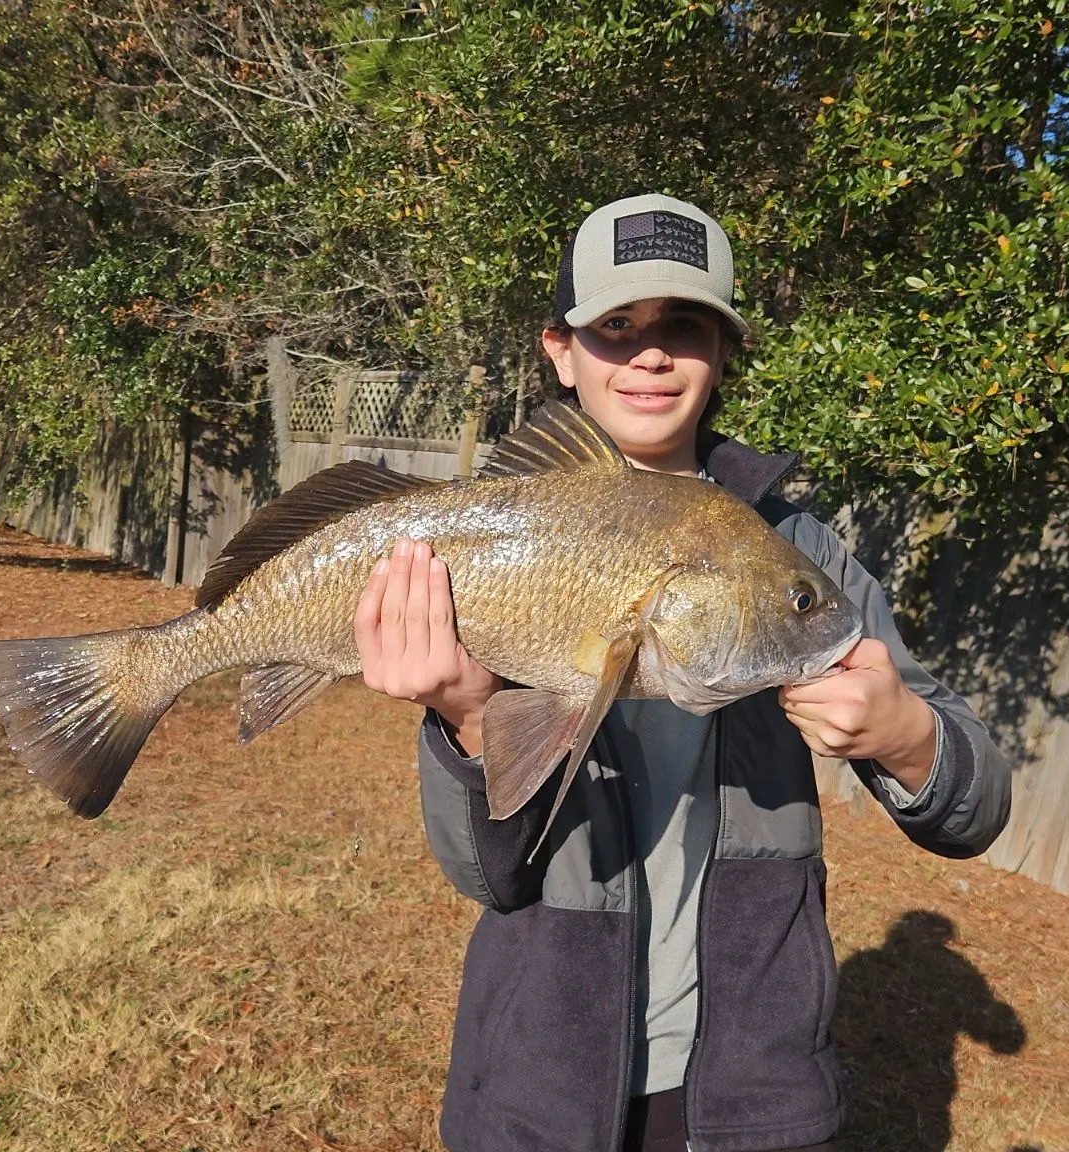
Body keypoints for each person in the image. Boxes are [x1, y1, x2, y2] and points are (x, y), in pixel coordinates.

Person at [352, 194, 1012, 1152]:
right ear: (560, 350)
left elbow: (978, 802)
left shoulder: (798, 552)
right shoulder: (477, 528)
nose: (651, 354)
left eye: (685, 326)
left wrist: (909, 736)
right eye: (615, 328)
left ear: (724, 351)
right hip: (540, 1077)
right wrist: (466, 717)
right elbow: (484, 877)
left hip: (751, 1085)